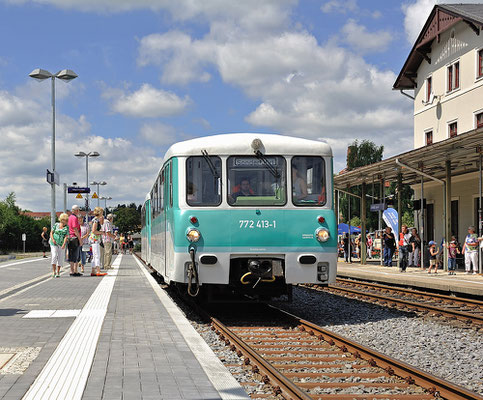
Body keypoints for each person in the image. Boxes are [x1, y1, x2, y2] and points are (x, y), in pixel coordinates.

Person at [89, 207, 107, 277]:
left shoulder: (94, 219)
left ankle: (93, 271)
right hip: (95, 239)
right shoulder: (96, 220)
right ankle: (98, 271)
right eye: (102, 212)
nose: (102, 214)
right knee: (97, 255)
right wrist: (101, 232)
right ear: (99, 213)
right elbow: (94, 231)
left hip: (93, 239)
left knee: (94, 256)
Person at [49, 213, 69, 278]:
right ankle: (54, 271)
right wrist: (53, 239)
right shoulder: (56, 225)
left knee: (60, 258)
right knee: (54, 256)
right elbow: (51, 233)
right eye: (65, 220)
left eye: (67, 220)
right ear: (62, 220)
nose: (66, 222)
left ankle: (58, 272)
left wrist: (64, 244)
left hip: (61, 244)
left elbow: (66, 236)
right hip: (54, 243)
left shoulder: (66, 227)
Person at [67, 205, 83, 276]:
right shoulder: (74, 218)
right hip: (74, 238)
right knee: (76, 255)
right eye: (78, 210)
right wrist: (80, 239)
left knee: (71, 255)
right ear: (76, 210)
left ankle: (72, 270)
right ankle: (74, 271)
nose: (79, 211)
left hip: (70, 238)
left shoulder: (69, 217)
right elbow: (75, 229)